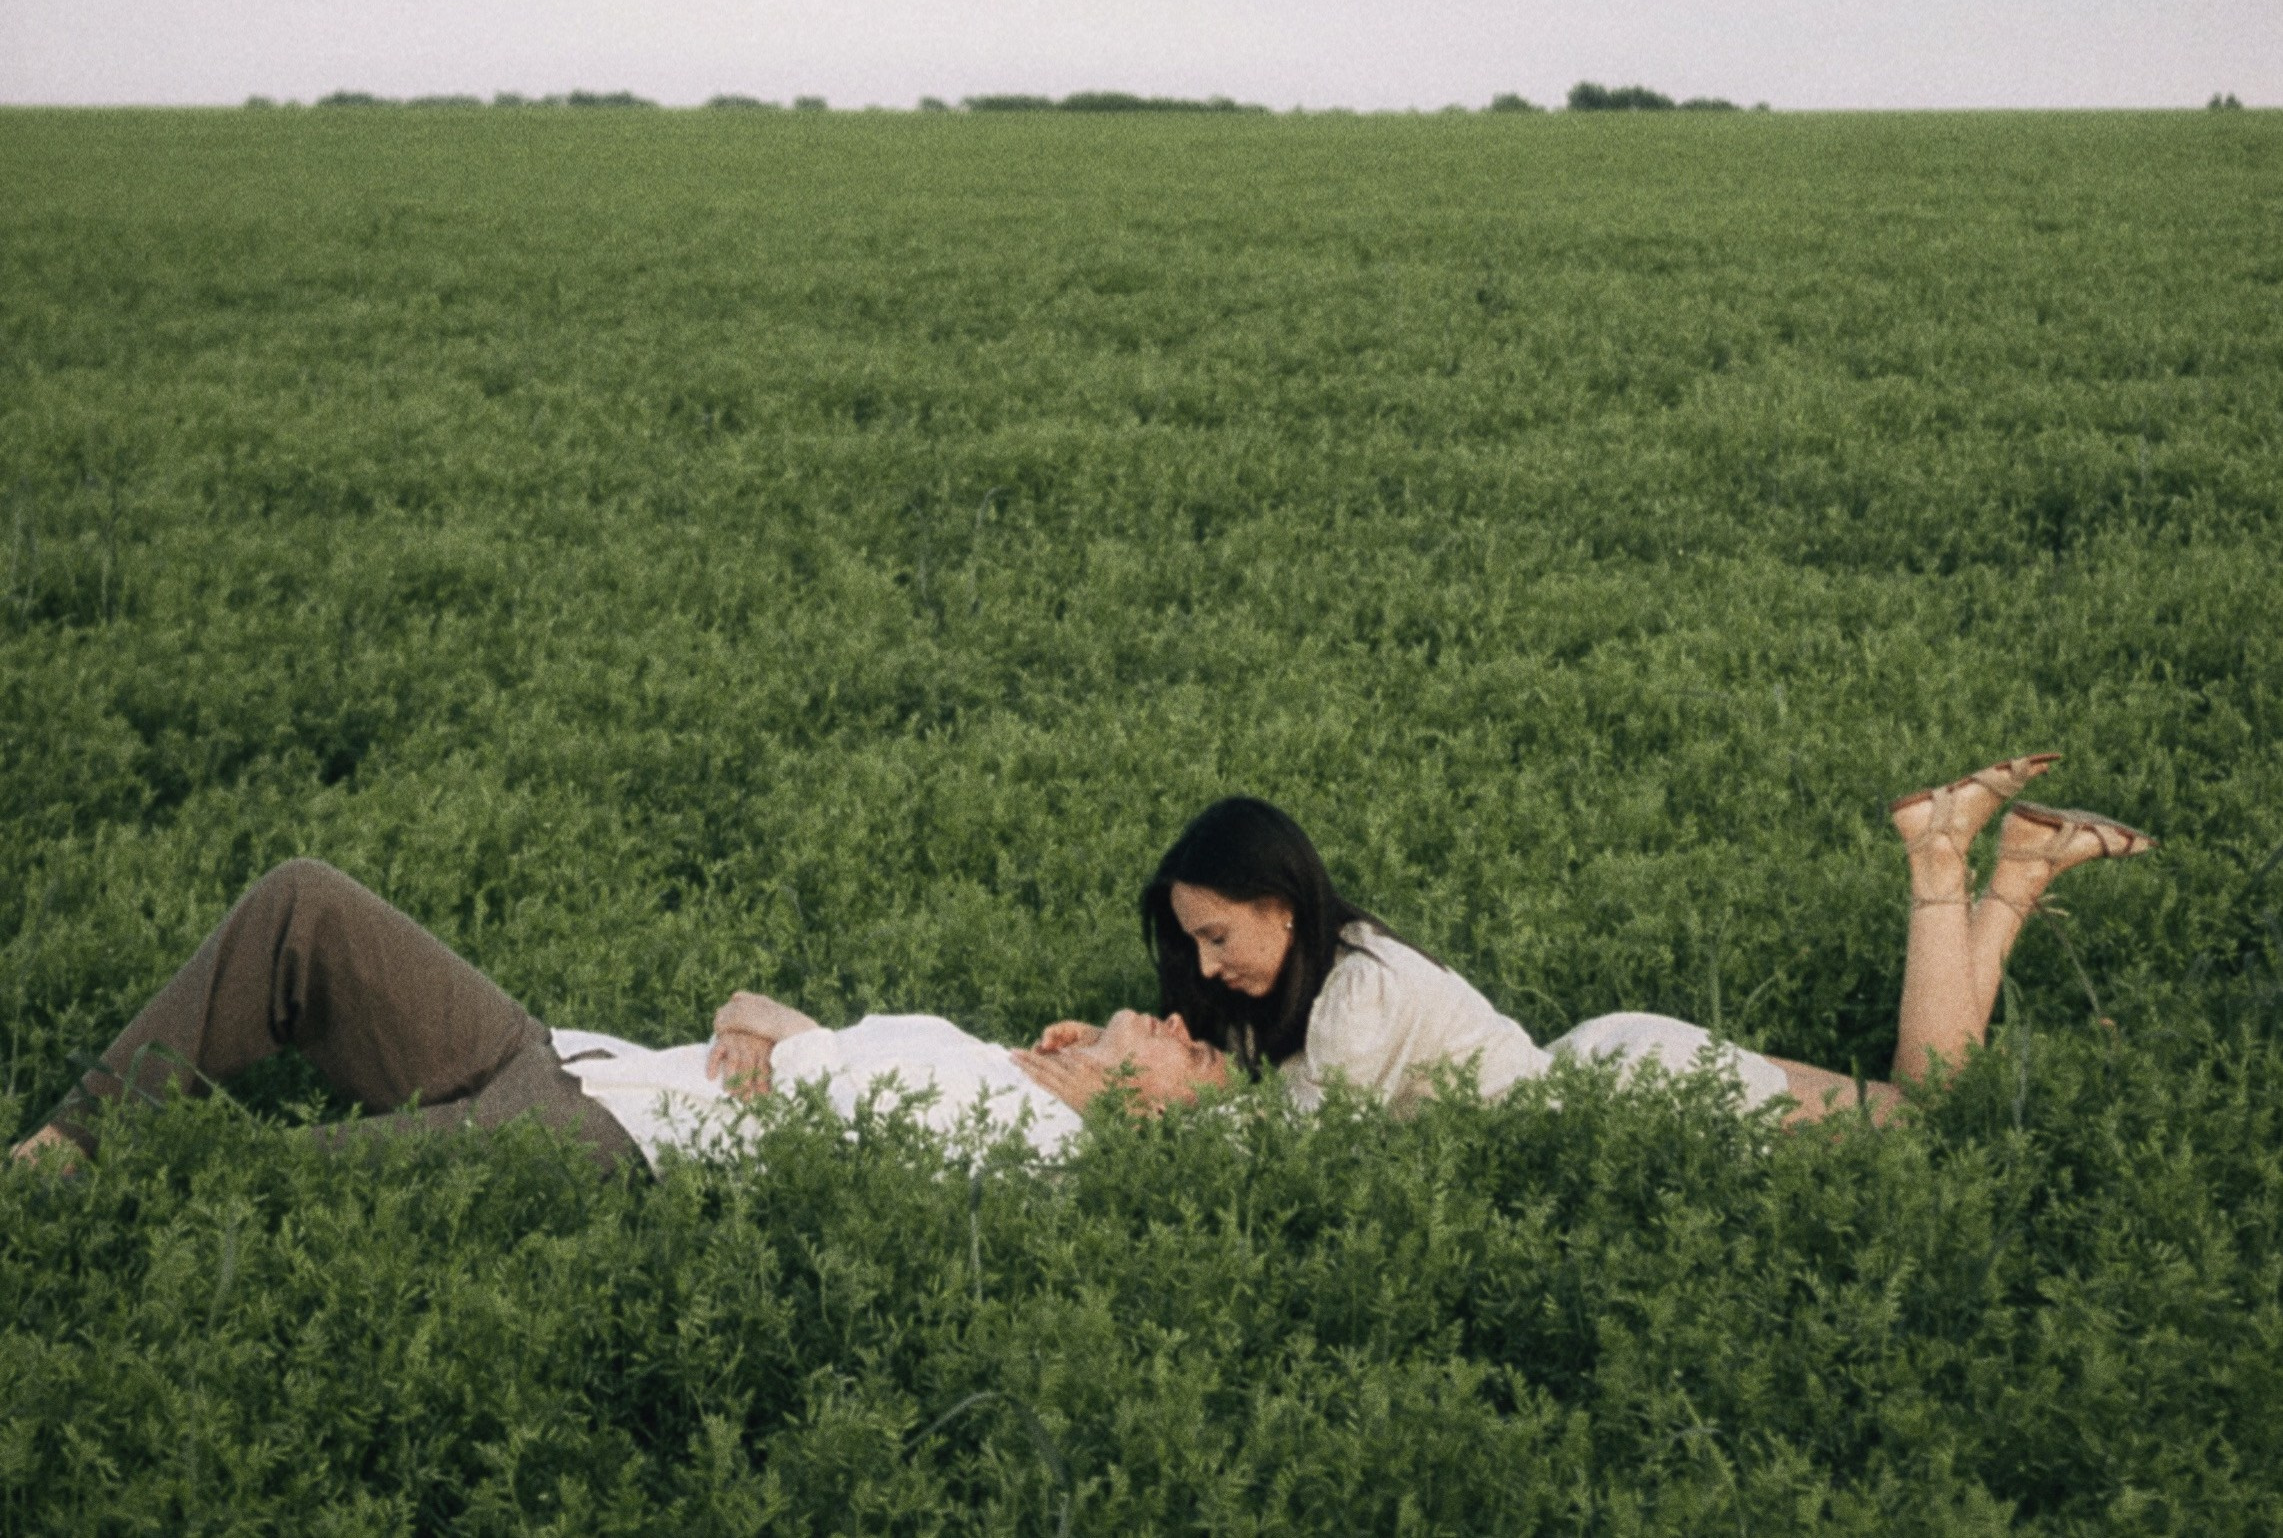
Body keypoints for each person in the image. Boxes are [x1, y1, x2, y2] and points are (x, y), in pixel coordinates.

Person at [1091, 757, 2154, 1125]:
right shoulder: (1296, 992)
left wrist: (1128, 1090)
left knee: (1926, 1129)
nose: (1205, 966)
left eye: (1218, 935)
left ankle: (1951, 862)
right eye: (1191, 946)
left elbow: (1293, 1157)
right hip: (1614, 1069)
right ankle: (2006, 869)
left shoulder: (1356, 996)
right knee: (1918, 1116)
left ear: (1283, 901)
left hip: (1636, 1092)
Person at [6, 860, 1225, 1175]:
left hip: (611, 1152)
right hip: (572, 1060)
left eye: (1199, 1055)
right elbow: (787, 1034)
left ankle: (101, 1206)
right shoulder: (984, 1057)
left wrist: (776, 1027)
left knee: (266, 1183)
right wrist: (761, 1015)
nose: (1183, 1022)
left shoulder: (1050, 1156)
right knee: (305, 907)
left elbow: (837, 1108)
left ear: (1160, 1118)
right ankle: (66, 1143)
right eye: (1182, 1021)